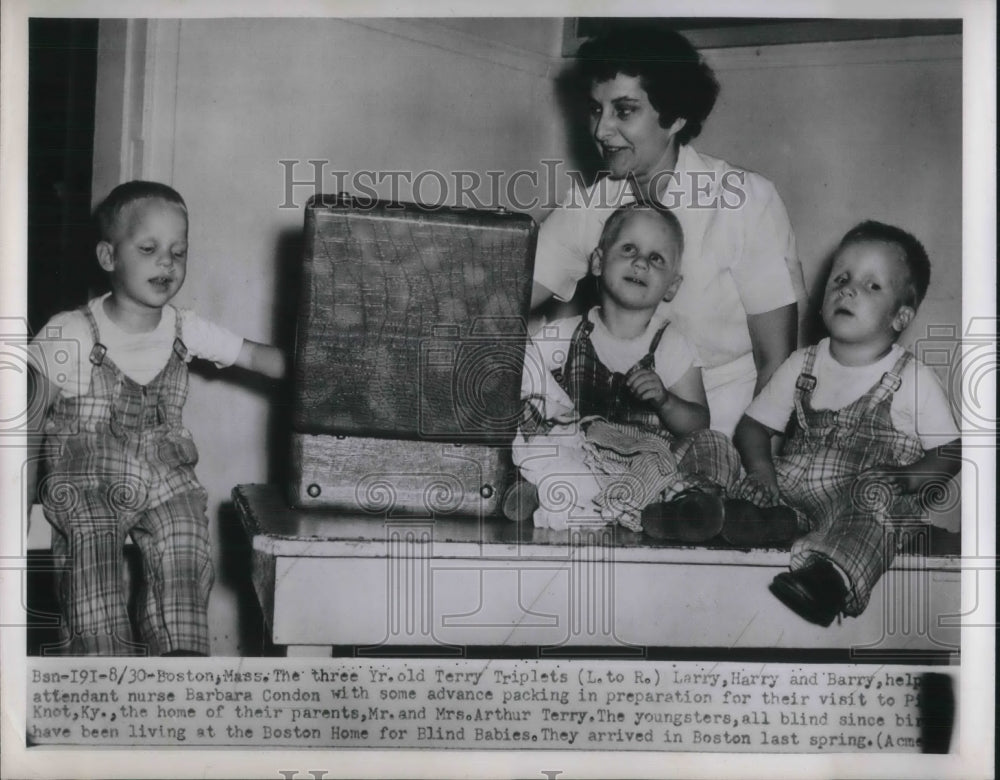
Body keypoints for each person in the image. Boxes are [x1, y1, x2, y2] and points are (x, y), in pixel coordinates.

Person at [27, 180, 286, 656]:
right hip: (87, 481)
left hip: (164, 476)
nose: (167, 262)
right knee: (94, 556)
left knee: (185, 540)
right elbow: (30, 414)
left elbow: (257, 357)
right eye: (149, 248)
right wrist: (18, 498)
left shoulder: (184, 326)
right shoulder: (72, 331)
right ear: (109, 257)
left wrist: (329, 368)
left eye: (178, 251)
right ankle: (99, 664)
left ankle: (179, 663)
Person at [531, 26, 805, 437]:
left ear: (675, 117)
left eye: (623, 111)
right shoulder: (588, 207)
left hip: (726, 429)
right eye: (595, 109)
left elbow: (776, 359)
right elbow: (504, 298)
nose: (601, 130)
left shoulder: (745, 200)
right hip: (611, 427)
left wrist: (754, 469)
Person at [725, 221, 961, 626]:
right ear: (822, 297)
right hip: (796, 488)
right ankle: (735, 515)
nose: (848, 289)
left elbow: (952, 451)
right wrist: (763, 474)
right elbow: (751, 427)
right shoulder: (804, 364)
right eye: (842, 278)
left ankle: (830, 579)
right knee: (713, 448)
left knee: (879, 503)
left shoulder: (912, 378)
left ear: (901, 316)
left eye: (872, 286)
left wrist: (910, 477)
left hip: (861, 499)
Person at [512, 202, 738, 539]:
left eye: (656, 258)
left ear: (672, 286)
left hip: (655, 462)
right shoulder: (565, 334)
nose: (640, 262)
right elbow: (526, 380)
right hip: (586, 456)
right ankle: (538, 488)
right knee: (528, 409)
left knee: (715, 443)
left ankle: (689, 505)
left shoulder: (670, 344)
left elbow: (697, 423)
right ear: (599, 262)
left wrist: (665, 401)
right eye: (629, 248)